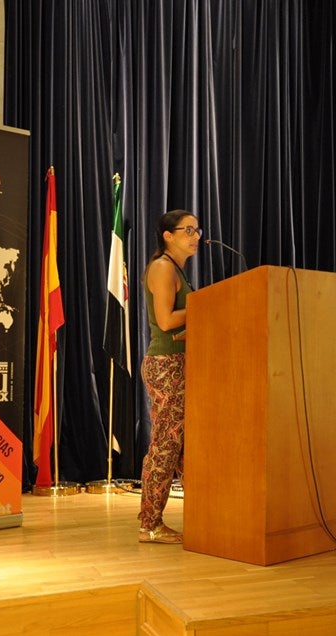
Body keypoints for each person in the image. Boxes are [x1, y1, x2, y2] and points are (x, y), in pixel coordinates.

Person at [137, 210, 201, 544]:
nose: (195, 236)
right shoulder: (162, 267)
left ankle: (206, 515)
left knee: (186, 447)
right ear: (168, 236)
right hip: (167, 365)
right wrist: (208, 304)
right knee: (166, 445)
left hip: (183, 362)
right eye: (187, 230)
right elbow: (165, 320)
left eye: (197, 230)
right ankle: (149, 523)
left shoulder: (177, 270)